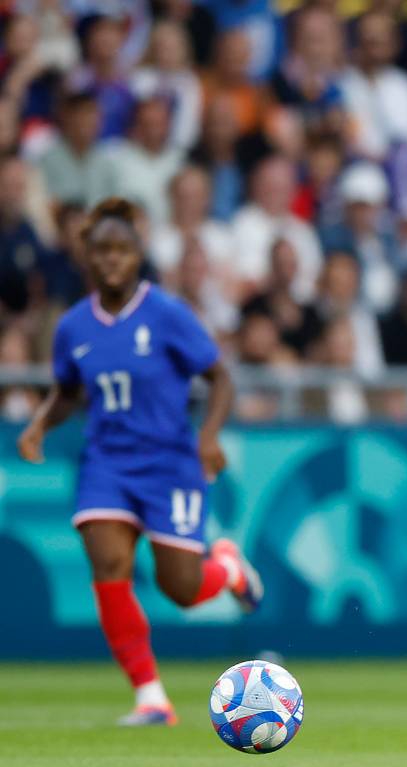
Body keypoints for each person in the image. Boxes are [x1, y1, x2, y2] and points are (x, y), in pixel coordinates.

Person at [16, 198, 264, 727]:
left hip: (170, 463)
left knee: (182, 588)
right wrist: (40, 423)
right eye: (101, 250)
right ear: (85, 255)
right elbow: (68, 391)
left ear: (138, 255)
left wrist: (209, 437)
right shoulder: (73, 326)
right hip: (106, 463)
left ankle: (228, 568)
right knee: (108, 567)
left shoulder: (167, 313)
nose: (111, 260)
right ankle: (151, 696)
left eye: (121, 250)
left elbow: (220, 377)